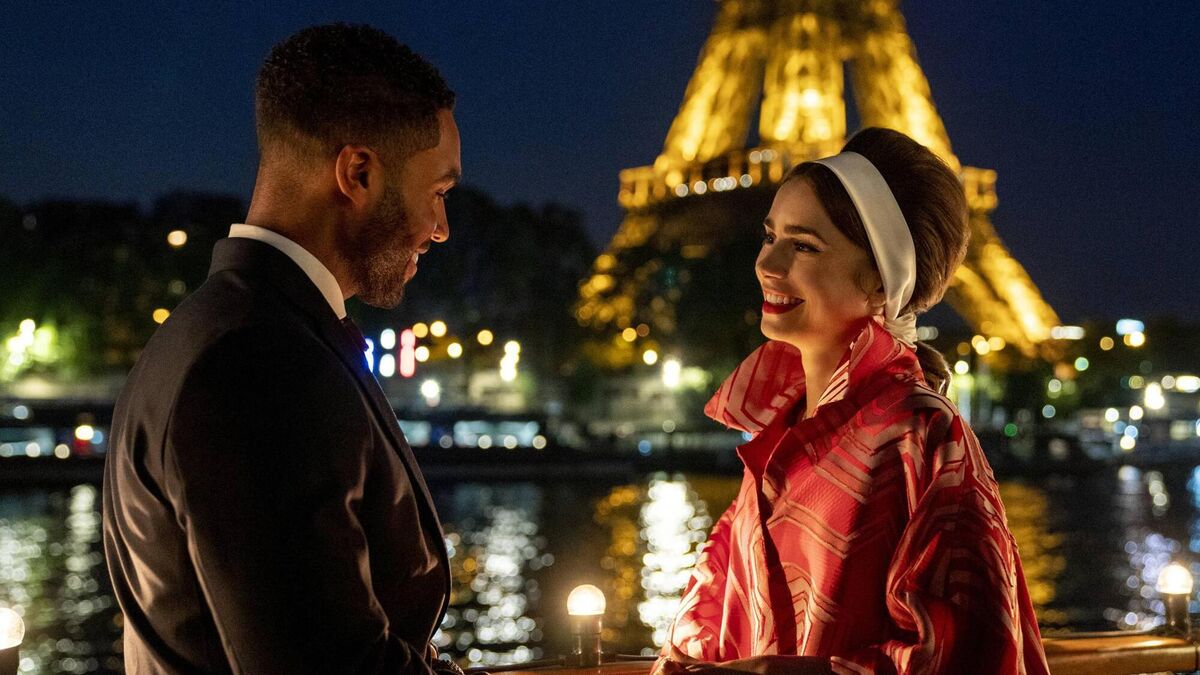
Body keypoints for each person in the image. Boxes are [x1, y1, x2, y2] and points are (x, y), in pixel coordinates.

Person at [102, 24, 463, 674]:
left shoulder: (217, 327)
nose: (440, 229)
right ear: (358, 173)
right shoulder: (262, 364)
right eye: (437, 194)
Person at [654, 128, 1050, 675]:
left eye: (804, 245)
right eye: (769, 237)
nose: (767, 264)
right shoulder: (784, 428)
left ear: (881, 283)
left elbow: (967, 650)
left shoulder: (919, 430)